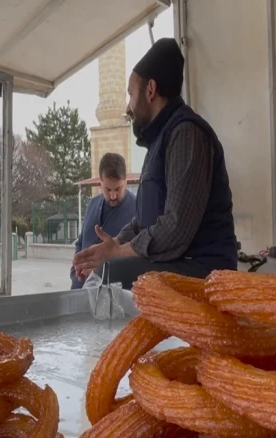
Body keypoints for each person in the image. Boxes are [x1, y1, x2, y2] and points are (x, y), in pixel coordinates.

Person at [72, 38, 238, 289]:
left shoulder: (186, 134)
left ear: (150, 90)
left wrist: (118, 254)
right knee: (102, 272)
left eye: (131, 93)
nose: (128, 106)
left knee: (109, 277)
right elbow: (142, 223)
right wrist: (115, 244)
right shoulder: (160, 140)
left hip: (202, 271)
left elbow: (176, 229)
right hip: (176, 264)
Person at [71, 153, 136, 289]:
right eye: (108, 189)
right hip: (79, 290)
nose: (113, 195)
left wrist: (101, 269)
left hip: (115, 297)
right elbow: (81, 241)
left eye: (118, 189)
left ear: (126, 181)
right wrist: (75, 270)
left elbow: (140, 257)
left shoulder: (139, 210)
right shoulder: (92, 204)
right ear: (100, 182)